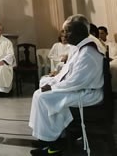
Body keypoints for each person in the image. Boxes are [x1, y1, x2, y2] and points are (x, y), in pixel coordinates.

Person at [29, 14, 104, 156]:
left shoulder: (87, 52)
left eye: (68, 31)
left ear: (80, 32)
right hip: (79, 89)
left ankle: (55, 144)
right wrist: (52, 81)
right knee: (40, 93)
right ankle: (47, 138)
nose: (65, 35)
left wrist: (52, 87)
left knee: (45, 97)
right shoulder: (77, 49)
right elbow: (66, 73)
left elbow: (76, 81)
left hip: (88, 93)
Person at [98, 26, 117, 90]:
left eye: (102, 33)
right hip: (102, 61)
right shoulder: (97, 44)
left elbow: (114, 53)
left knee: (113, 66)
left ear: (106, 34)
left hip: (112, 60)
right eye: (99, 33)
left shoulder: (112, 43)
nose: (100, 35)